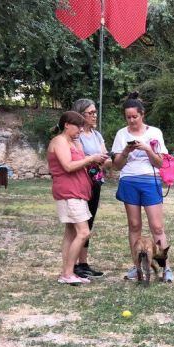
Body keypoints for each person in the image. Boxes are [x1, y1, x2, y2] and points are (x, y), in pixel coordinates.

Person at [111, 92, 174, 282]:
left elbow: (160, 163)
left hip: (149, 181)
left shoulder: (154, 133)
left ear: (142, 114)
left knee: (157, 227)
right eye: (128, 117)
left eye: (134, 117)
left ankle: (166, 268)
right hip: (129, 180)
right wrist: (125, 151)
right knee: (134, 226)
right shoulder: (121, 134)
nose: (131, 121)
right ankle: (136, 266)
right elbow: (117, 165)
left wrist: (147, 149)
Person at [48, 111, 108, 285]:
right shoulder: (59, 141)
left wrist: (95, 161)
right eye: (78, 127)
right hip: (69, 192)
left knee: (71, 233)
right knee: (84, 232)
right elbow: (68, 166)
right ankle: (68, 274)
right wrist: (90, 158)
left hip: (78, 192)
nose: (81, 130)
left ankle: (67, 272)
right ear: (67, 125)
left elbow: (80, 164)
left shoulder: (73, 142)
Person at [70, 98, 112, 278]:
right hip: (80, 183)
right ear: (81, 115)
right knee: (79, 223)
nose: (95, 116)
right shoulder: (76, 135)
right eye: (91, 113)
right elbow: (79, 158)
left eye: (95, 112)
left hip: (95, 182)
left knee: (89, 221)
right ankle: (72, 265)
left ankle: (83, 263)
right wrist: (95, 159)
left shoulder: (97, 135)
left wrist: (101, 160)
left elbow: (106, 159)